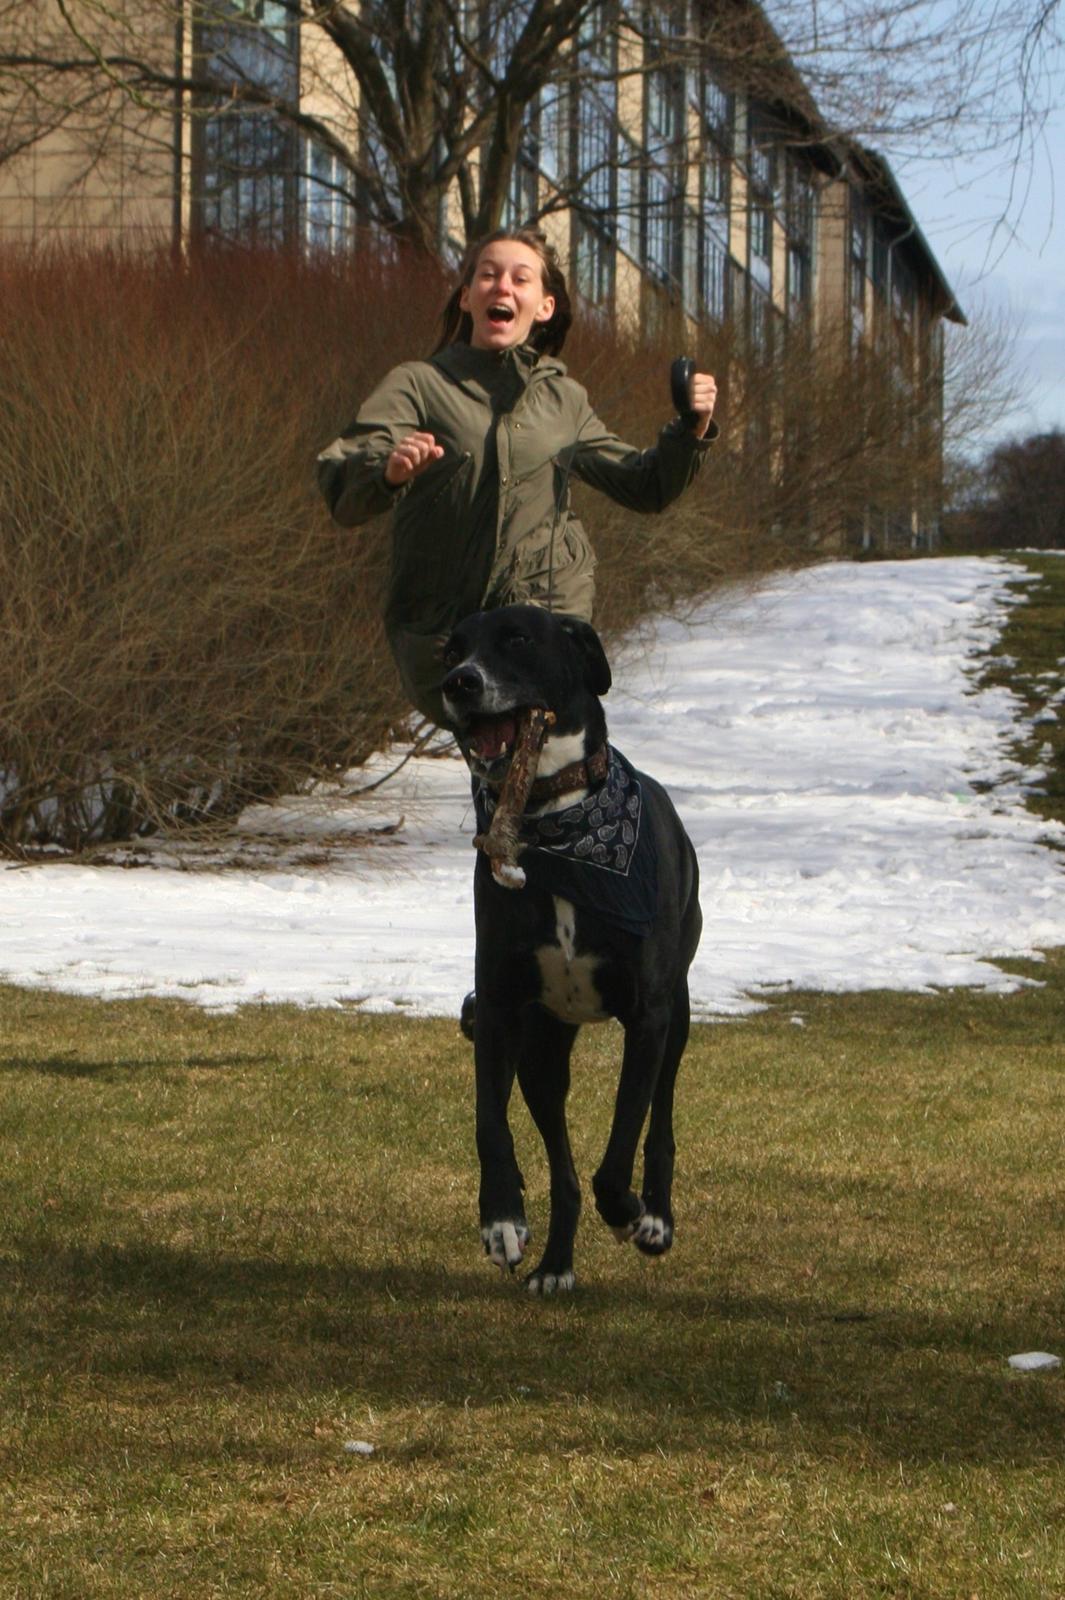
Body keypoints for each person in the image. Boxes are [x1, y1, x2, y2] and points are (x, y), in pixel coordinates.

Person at [317, 226, 718, 729]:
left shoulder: (563, 399)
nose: (502, 286)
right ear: (466, 298)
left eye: (520, 279)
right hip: (445, 630)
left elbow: (644, 486)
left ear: (544, 306)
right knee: (500, 765)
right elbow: (343, 483)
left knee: (545, 763)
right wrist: (388, 471)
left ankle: (617, 808)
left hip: (544, 616)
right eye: (488, 275)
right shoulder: (420, 384)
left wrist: (691, 429)